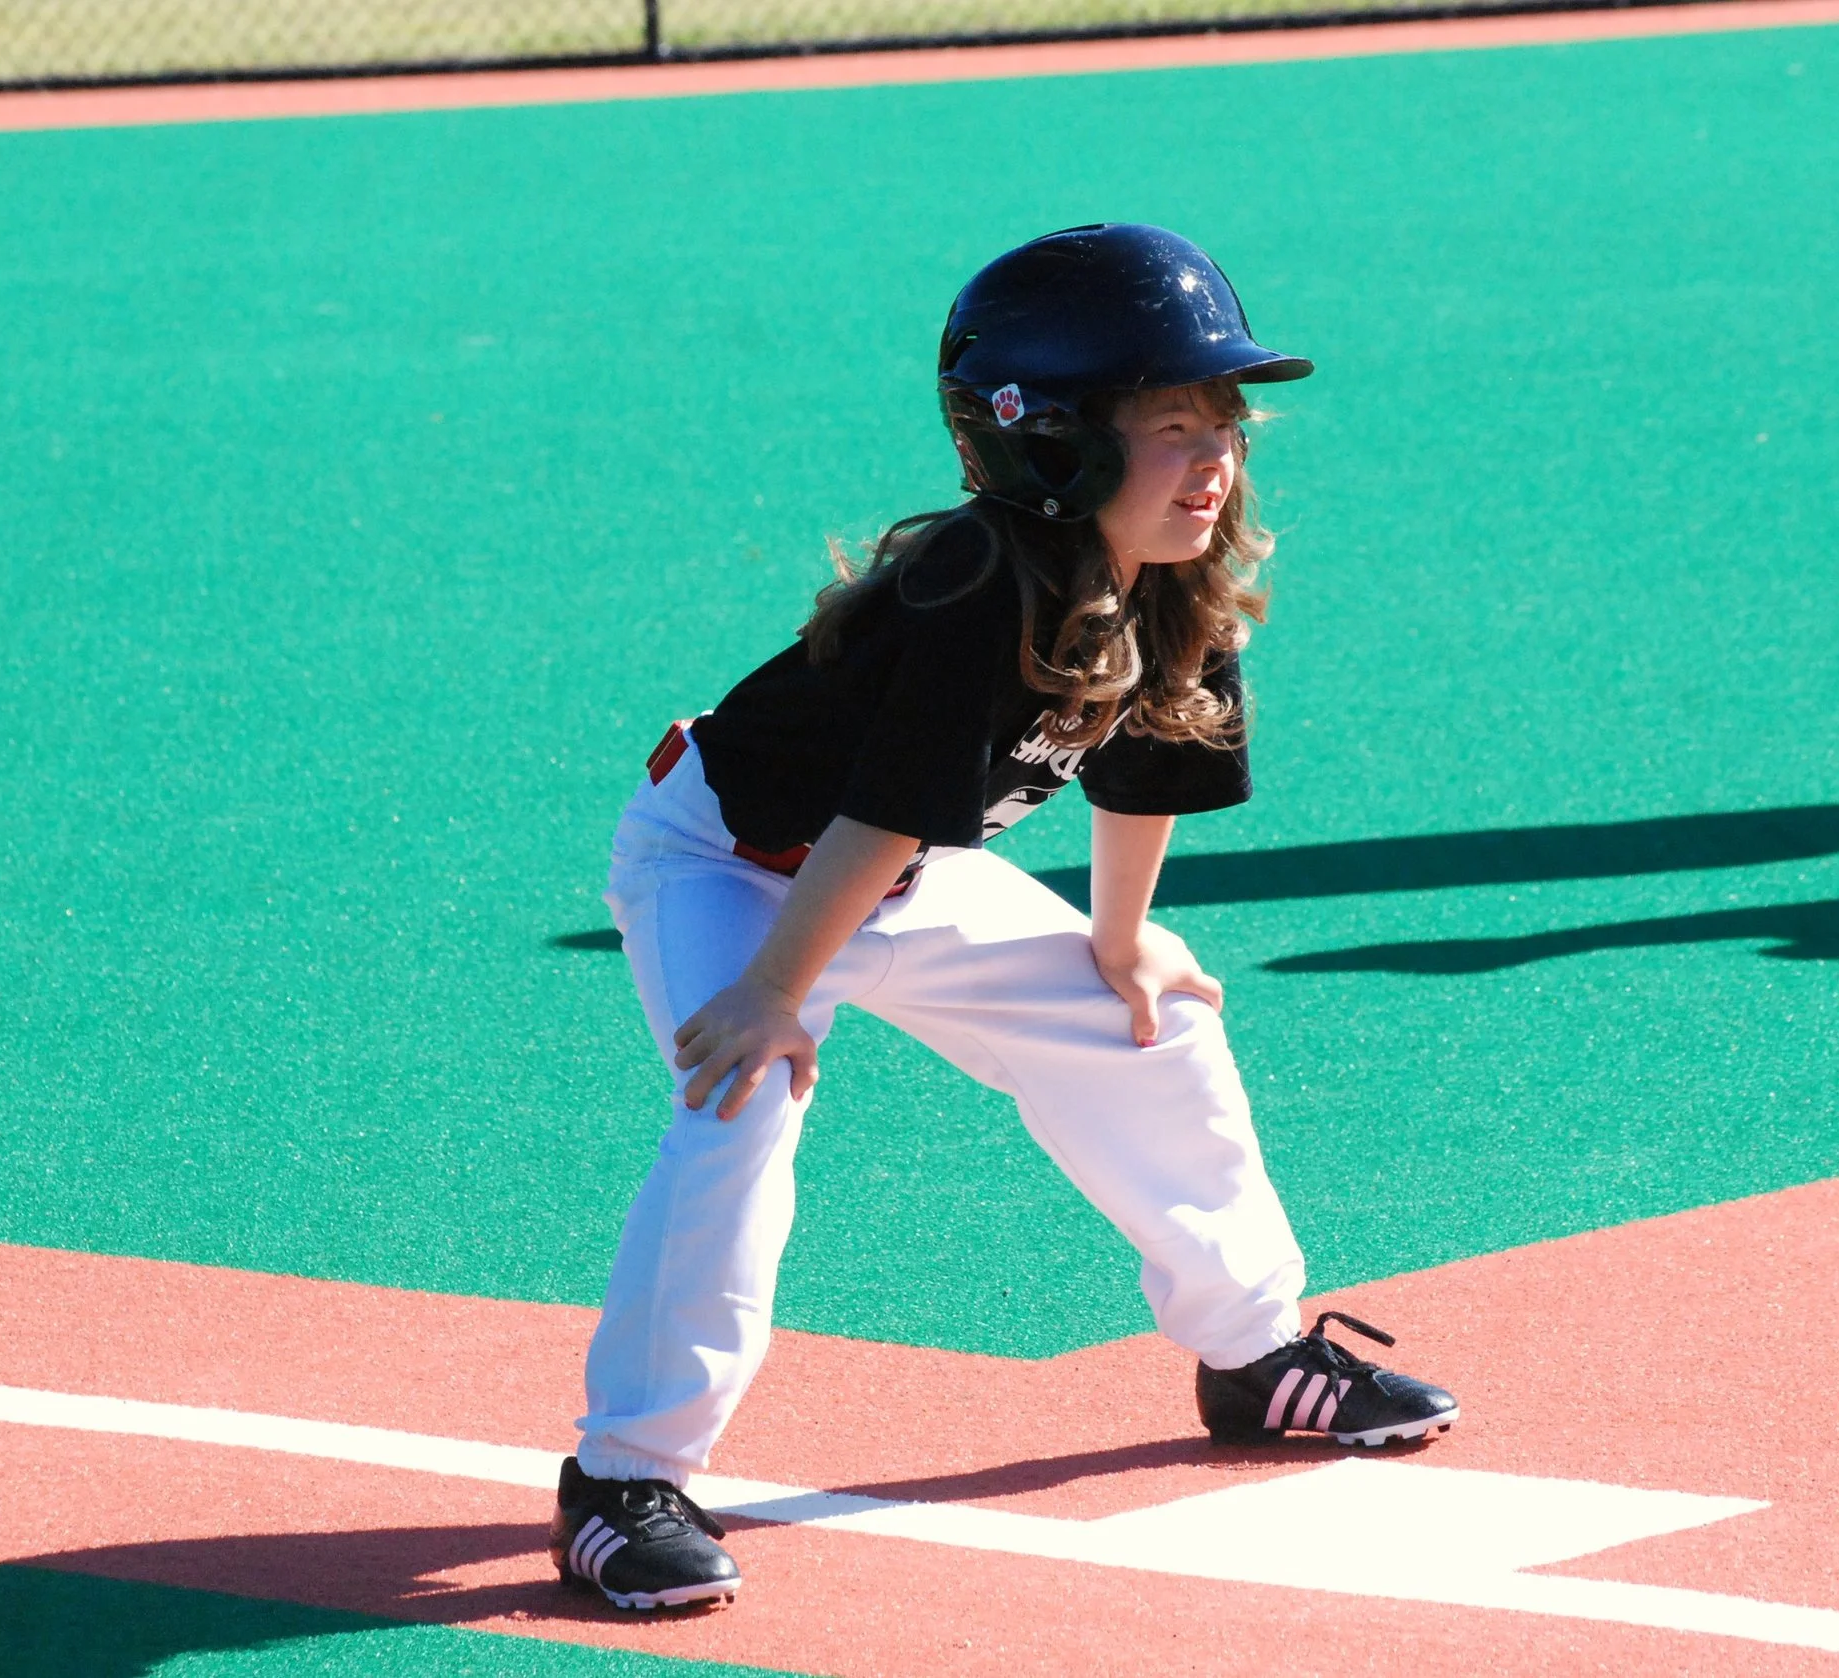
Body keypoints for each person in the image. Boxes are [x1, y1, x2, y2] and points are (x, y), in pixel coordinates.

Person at [547, 224, 1458, 1613]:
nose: (1213, 456)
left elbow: (1152, 757)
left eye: (1224, 421)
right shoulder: (971, 583)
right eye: (1168, 424)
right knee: (741, 1106)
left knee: (1146, 1030)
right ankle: (623, 1478)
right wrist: (775, 990)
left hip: (894, 869)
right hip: (731, 861)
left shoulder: (1179, 575)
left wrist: (1120, 934)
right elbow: (879, 812)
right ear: (1046, 442)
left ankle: (1255, 1352)